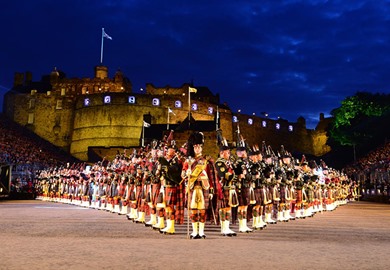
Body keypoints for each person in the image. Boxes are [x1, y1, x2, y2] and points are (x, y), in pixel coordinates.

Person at [183, 131, 215, 239]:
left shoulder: (206, 160)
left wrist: (211, 190)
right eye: (196, 146)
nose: (197, 149)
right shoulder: (188, 161)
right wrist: (186, 173)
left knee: (202, 210)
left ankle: (201, 231)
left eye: (199, 146)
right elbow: (182, 175)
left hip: (203, 188)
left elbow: (211, 178)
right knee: (193, 210)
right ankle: (194, 231)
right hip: (192, 188)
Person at [156, 141, 184, 234]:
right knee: (166, 206)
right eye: (168, 149)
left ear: (174, 151)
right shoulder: (168, 160)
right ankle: (168, 225)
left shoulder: (177, 161)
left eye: (171, 149)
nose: (168, 151)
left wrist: (165, 165)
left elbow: (175, 171)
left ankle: (171, 227)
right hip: (165, 185)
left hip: (172, 186)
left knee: (170, 207)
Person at [215, 139, 237, 236]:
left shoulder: (227, 162)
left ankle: (227, 227)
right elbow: (225, 175)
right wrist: (233, 175)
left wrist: (233, 175)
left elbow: (232, 175)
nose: (229, 154)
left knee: (228, 208)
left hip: (230, 188)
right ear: (222, 153)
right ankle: (223, 228)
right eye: (227, 152)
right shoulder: (219, 163)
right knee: (223, 208)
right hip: (224, 188)